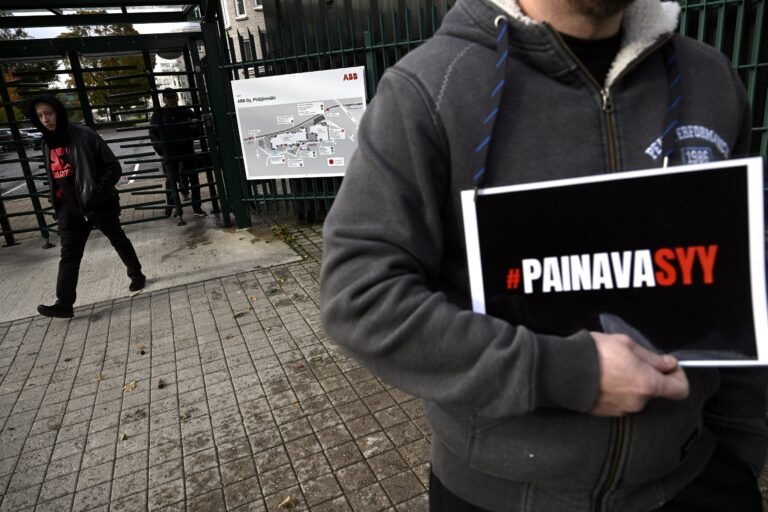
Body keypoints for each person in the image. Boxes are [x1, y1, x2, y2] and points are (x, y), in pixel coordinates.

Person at [319, 0, 768, 511]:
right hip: (499, 495)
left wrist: (741, 447)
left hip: (691, 479)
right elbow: (360, 297)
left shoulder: (708, 78)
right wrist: (566, 373)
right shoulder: (430, 87)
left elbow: (742, 278)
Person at [29, 94, 146, 319]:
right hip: (69, 209)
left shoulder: (84, 135)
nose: (45, 120)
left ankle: (137, 274)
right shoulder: (46, 143)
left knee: (118, 240)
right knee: (69, 256)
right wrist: (59, 203)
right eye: (40, 116)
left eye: (49, 114)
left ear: (59, 112)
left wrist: (96, 193)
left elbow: (113, 167)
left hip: (98, 204)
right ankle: (64, 303)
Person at [149, 88, 207, 218]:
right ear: (164, 100)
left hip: (187, 149)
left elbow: (198, 131)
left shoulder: (186, 111)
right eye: (169, 97)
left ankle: (197, 207)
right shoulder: (158, 114)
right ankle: (172, 205)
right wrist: (161, 148)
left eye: (173, 96)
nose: (172, 99)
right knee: (171, 180)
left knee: (194, 178)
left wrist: (194, 128)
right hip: (170, 151)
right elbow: (153, 133)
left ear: (177, 97)